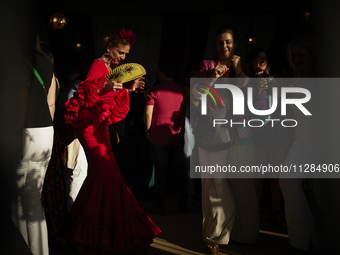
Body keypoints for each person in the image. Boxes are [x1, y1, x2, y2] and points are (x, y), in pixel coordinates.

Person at [64, 28, 161, 254]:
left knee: (101, 177)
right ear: (109, 47)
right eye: (119, 52)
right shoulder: (99, 65)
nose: (122, 58)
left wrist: (128, 89)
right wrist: (105, 86)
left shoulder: (110, 68)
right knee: (110, 177)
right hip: (90, 129)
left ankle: (90, 231)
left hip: (99, 127)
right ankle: (102, 231)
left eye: (126, 55)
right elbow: (86, 94)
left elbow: (109, 100)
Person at [192, 27, 259, 255]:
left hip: (241, 132)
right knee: (215, 183)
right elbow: (196, 98)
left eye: (228, 42)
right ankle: (215, 235)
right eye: (220, 43)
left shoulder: (245, 68)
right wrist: (213, 77)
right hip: (215, 132)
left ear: (235, 43)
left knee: (243, 185)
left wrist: (239, 70)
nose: (224, 46)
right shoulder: (207, 66)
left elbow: (249, 97)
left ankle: (246, 233)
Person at [10, 33, 58, 255]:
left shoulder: (15, 60)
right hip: (45, 132)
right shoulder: (45, 62)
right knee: (33, 202)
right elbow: (50, 104)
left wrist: (15, 133)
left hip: (23, 132)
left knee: (16, 205)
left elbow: (18, 99)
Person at [279, 34, 324, 253]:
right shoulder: (294, 82)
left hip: (324, 143)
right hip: (302, 142)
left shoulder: (324, 80)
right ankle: (300, 241)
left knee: (319, 196)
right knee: (286, 180)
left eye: (301, 55)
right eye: (293, 55)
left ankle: (313, 239)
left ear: (313, 56)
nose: (296, 59)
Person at [245, 47, 286, 228]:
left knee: (276, 175)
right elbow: (242, 108)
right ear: (252, 61)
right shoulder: (247, 82)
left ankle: (276, 211)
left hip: (274, 132)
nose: (262, 60)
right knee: (259, 175)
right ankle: (257, 210)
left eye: (265, 58)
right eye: (259, 58)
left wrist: (276, 87)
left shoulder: (273, 81)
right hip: (257, 133)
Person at [144, 62, 188, 215]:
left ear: (162, 73)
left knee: (160, 172)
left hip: (159, 136)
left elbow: (148, 113)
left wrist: (148, 131)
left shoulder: (155, 90)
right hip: (177, 136)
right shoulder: (182, 91)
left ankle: (158, 206)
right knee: (180, 172)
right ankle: (183, 205)